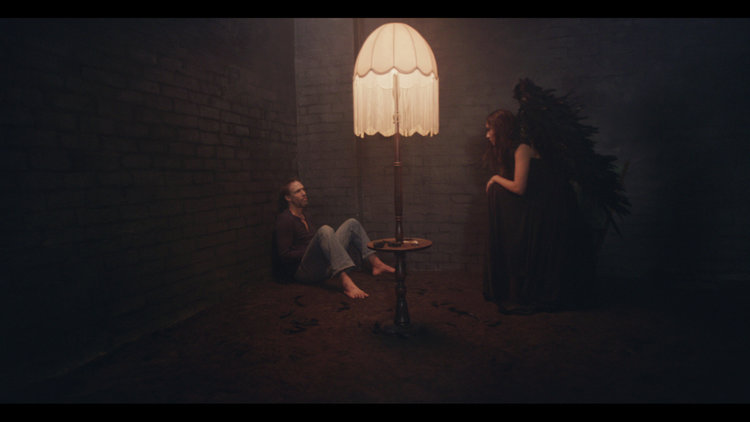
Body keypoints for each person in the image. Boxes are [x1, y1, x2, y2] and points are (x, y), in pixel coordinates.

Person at [483, 108, 594, 314]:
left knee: (497, 188)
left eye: (490, 130)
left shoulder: (522, 148)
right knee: (498, 192)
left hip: (553, 203)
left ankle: (524, 284)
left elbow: (519, 187)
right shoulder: (509, 150)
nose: (487, 135)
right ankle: (510, 278)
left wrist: (495, 178)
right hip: (536, 200)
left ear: (501, 129)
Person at [273, 178, 395, 299]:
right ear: (288, 198)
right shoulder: (285, 219)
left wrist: (323, 249)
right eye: (298, 191)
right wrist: (313, 249)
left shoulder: (305, 215)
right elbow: (284, 255)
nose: (304, 193)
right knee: (325, 230)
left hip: (320, 265)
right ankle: (346, 282)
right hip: (304, 272)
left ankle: (376, 264)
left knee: (352, 223)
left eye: (303, 189)